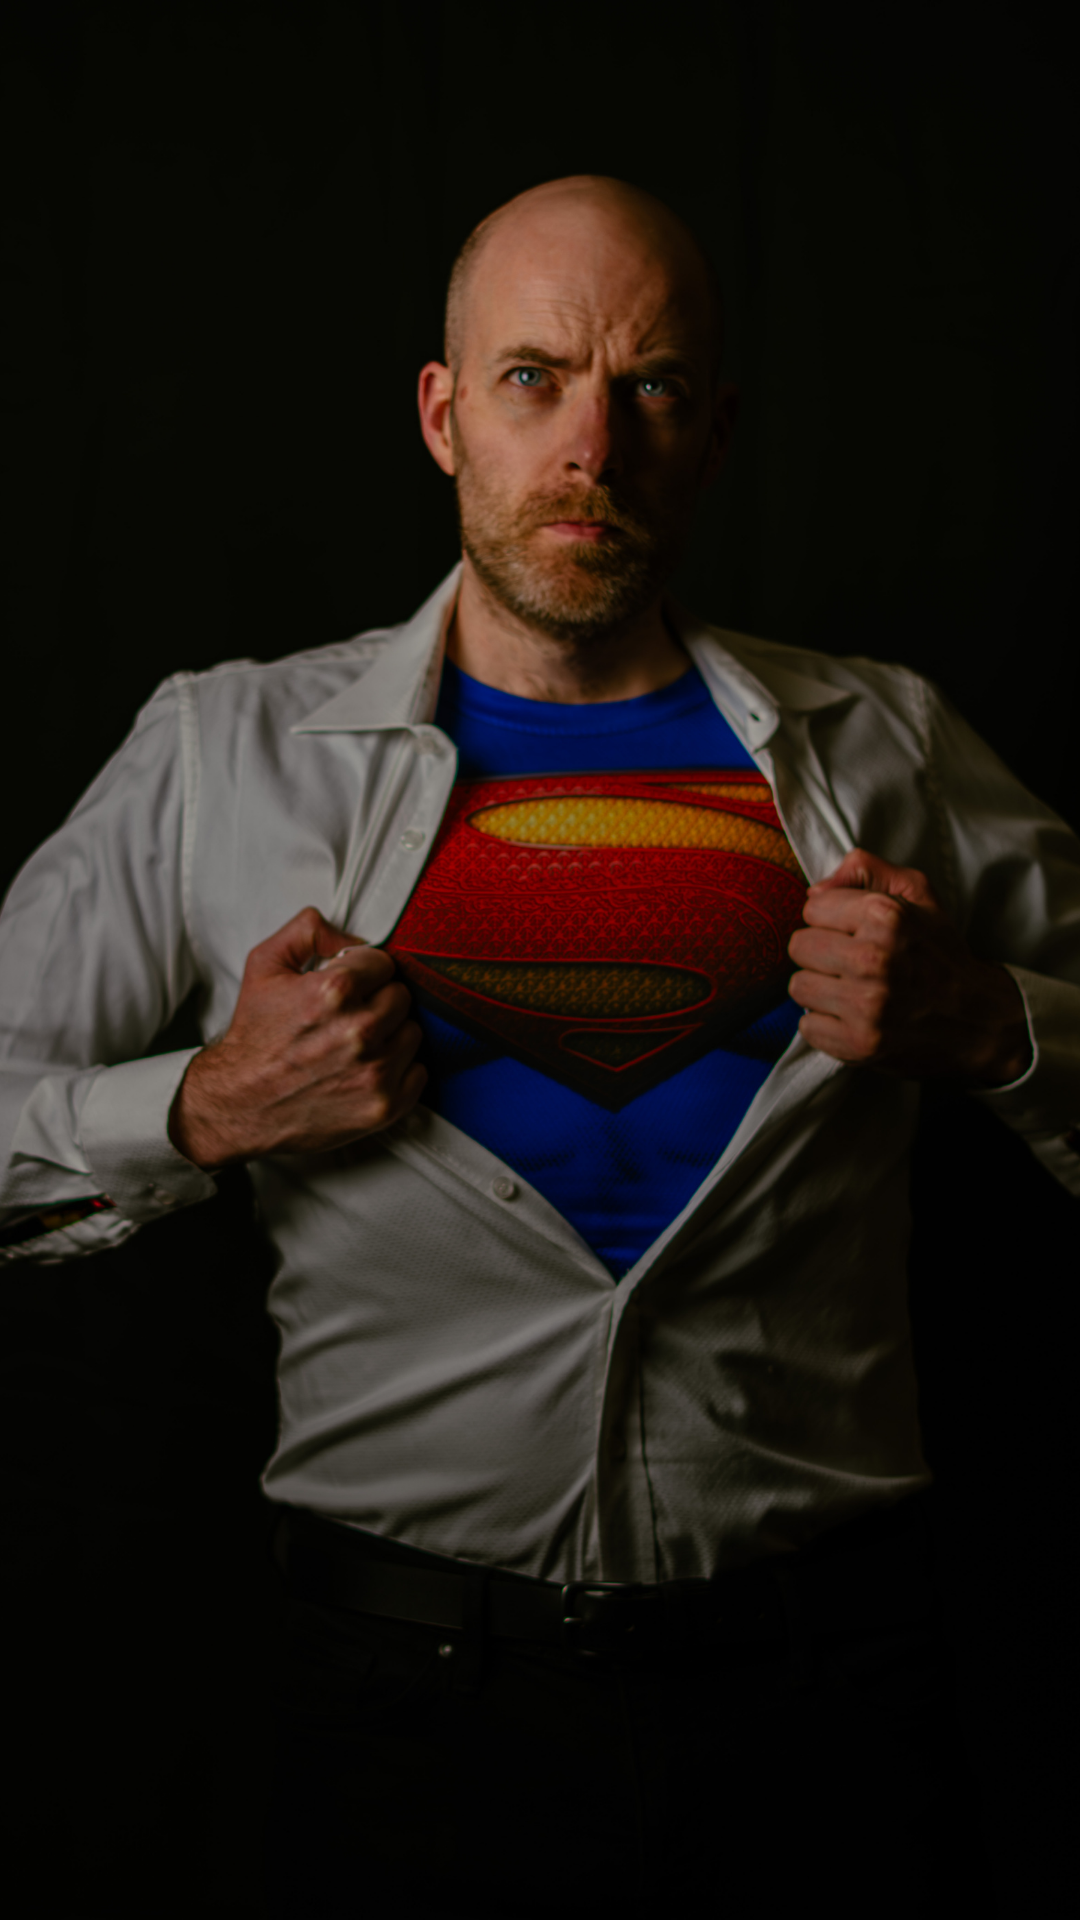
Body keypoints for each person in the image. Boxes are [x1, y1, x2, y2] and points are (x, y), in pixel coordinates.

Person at [1, 173, 1077, 1917]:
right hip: (395, 1712)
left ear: (716, 433)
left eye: (651, 388)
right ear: (443, 415)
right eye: (534, 378)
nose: (592, 446)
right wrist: (203, 1106)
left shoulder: (887, 743)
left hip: (831, 1704)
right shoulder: (224, 754)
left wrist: (998, 1027)